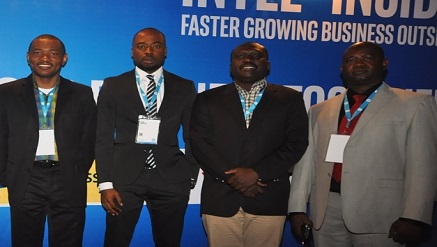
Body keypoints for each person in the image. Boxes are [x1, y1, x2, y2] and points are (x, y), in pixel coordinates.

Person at [288, 41, 437, 246]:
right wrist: (296, 209)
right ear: (342, 69)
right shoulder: (319, 109)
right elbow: (306, 163)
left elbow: (424, 165)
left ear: (384, 63)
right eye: (351, 60)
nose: (358, 64)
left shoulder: (415, 104)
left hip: (382, 213)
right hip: (326, 211)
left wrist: (414, 217)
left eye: (367, 58)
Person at [190, 42, 309, 247]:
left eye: (256, 56)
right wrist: (234, 178)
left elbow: (296, 143)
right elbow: (199, 143)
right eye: (240, 56)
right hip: (220, 198)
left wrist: (257, 173)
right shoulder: (207, 99)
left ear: (268, 65)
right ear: (230, 66)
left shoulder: (290, 99)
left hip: (269, 197)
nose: (247, 60)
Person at [95, 27, 199, 247]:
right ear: (133, 52)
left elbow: (193, 136)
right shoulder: (113, 86)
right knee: (115, 242)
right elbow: (102, 136)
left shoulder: (184, 87)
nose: (148, 51)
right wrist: (105, 184)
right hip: (123, 179)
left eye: (156, 46)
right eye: (141, 46)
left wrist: (189, 175)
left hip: (171, 179)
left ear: (165, 51)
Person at [0, 34, 96, 246]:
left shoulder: (82, 94)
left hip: (67, 180)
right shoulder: (6, 93)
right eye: (38, 52)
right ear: (28, 57)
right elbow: (1, 137)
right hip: (26, 180)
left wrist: (77, 171)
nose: (45, 58)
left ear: (64, 59)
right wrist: (7, 176)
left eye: (53, 53)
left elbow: (89, 139)